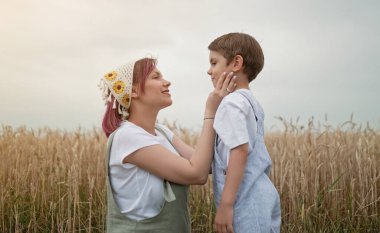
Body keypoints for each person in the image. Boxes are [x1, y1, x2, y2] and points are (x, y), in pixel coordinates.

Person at [99, 57, 236, 233]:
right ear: (133, 91)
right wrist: (210, 111)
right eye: (156, 77)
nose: (167, 82)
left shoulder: (161, 131)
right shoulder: (127, 136)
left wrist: (226, 108)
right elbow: (197, 174)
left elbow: (207, 164)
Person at [207, 32, 281, 233]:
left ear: (236, 63)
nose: (209, 70)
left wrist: (226, 205)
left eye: (214, 63)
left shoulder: (231, 103)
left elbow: (239, 150)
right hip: (261, 199)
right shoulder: (250, 102)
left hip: (245, 205)